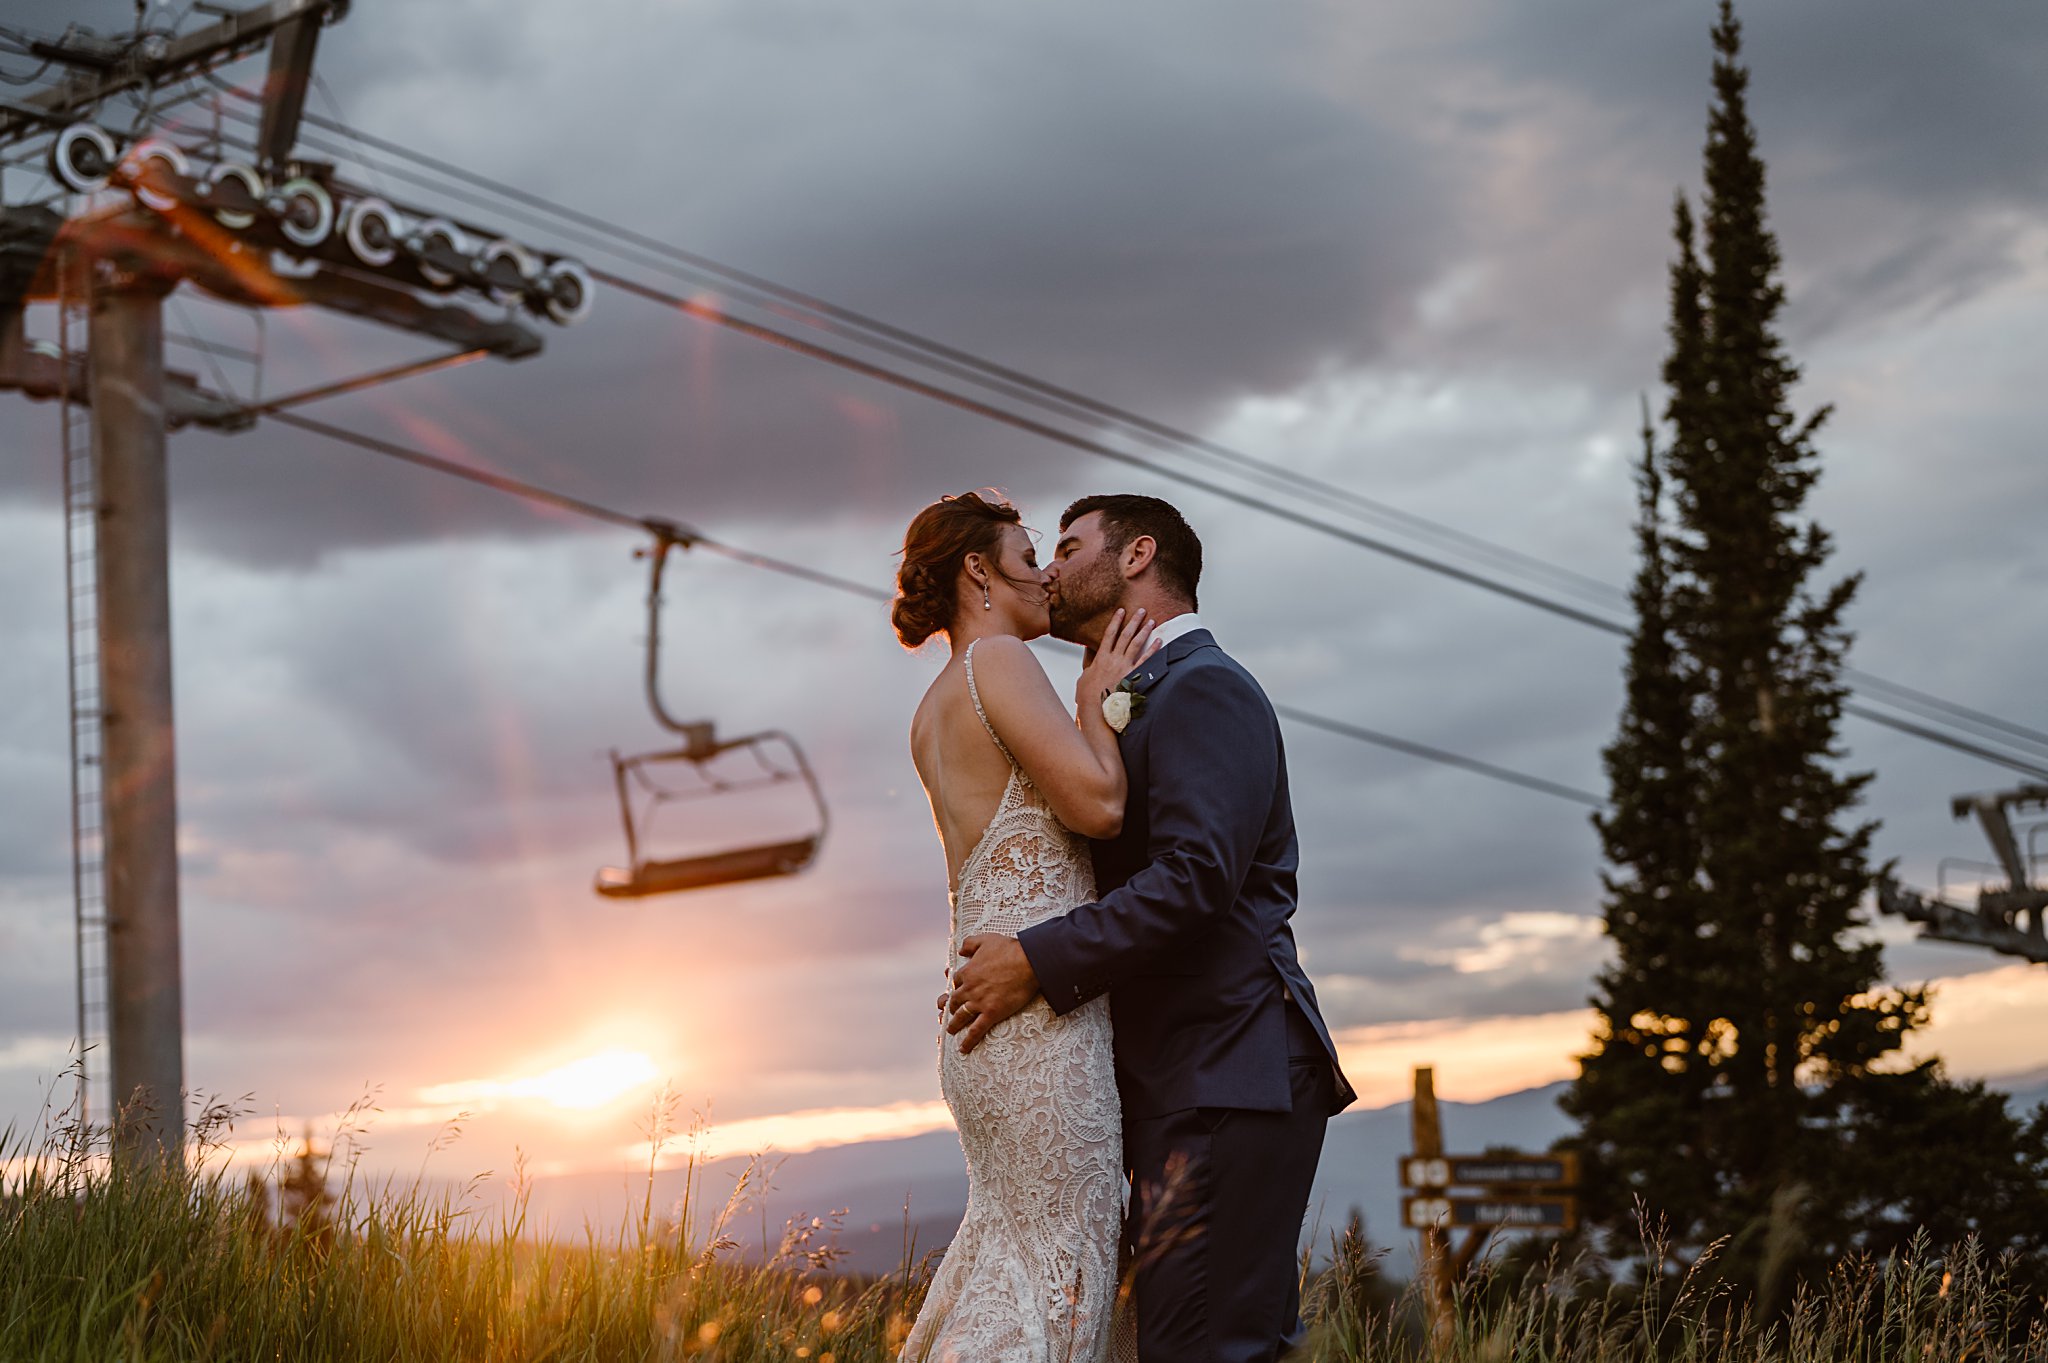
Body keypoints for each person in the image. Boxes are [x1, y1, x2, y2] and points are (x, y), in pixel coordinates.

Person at [946, 493, 1357, 1363]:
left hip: (1227, 1066)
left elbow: (1195, 882)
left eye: (1068, 545)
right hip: (1184, 1074)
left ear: (1137, 556)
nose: (1049, 569)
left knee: (1205, 1347)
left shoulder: (1205, 687)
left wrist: (1037, 959)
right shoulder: (1128, 697)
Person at [894, 489, 1156, 1363]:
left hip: (988, 1027)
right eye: (1028, 550)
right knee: (1060, 1271)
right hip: (1037, 1018)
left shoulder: (931, 705)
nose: (1048, 573)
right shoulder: (1000, 662)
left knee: (1016, 1258)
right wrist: (1097, 696)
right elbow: (1101, 804)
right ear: (979, 569)